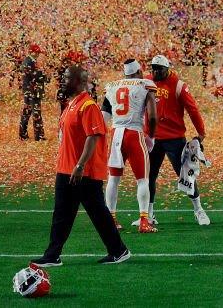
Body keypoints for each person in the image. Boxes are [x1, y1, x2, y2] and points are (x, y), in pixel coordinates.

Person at [32, 66, 130, 267]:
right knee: (63, 214)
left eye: (67, 77)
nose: (63, 80)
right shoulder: (71, 105)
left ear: (78, 81)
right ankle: (53, 255)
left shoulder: (88, 106)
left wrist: (79, 165)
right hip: (67, 170)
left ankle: (118, 251)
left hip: (82, 172)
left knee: (97, 213)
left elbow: (93, 137)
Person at [145, 55, 209, 226]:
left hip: (174, 138)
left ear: (168, 68)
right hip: (152, 137)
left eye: (159, 68)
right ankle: (149, 214)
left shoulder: (178, 85)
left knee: (186, 175)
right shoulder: (146, 81)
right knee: (149, 176)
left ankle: (198, 210)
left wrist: (201, 132)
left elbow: (192, 109)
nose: (156, 71)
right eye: (154, 68)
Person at [101, 59, 158, 232]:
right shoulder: (145, 84)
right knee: (143, 179)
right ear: (139, 71)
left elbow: (103, 117)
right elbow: (153, 116)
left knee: (113, 178)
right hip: (134, 134)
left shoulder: (112, 86)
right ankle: (144, 221)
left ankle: (110, 219)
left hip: (116, 133)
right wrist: (151, 136)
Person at [19, 44, 47, 141]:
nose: (38, 54)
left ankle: (23, 134)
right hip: (32, 92)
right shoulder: (28, 62)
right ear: (32, 52)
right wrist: (43, 74)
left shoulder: (31, 61)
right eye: (37, 52)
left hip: (30, 91)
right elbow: (35, 76)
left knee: (27, 112)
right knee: (36, 113)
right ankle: (38, 136)